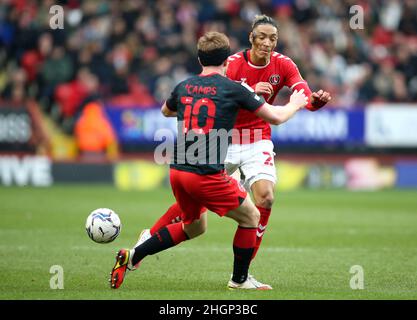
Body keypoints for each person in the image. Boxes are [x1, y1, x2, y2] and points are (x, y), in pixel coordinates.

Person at [134, 14, 332, 286]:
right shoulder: (233, 64)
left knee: (266, 198)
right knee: (196, 199)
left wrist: (315, 102)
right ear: (251, 38)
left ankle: (243, 272)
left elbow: (303, 95)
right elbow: (222, 96)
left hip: (257, 138)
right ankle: (150, 237)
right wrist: (251, 90)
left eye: (272, 38)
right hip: (225, 140)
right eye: (262, 37)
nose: (267, 42)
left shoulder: (283, 64)